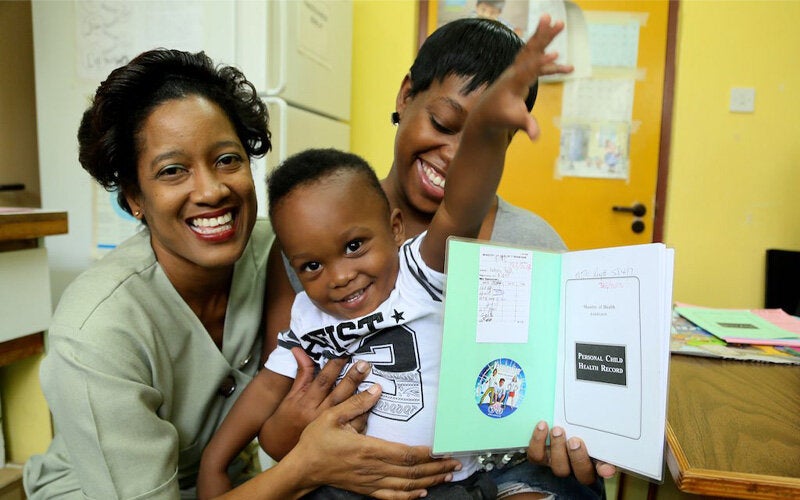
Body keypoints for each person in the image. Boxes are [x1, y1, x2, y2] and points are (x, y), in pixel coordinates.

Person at [22, 48, 463, 500]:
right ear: (135, 197)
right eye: (173, 171)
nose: (212, 190)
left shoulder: (288, 252)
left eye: (227, 160)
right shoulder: (95, 331)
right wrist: (306, 467)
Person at [199, 16, 572, 499]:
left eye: (483, 136)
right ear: (405, 95)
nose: (340, 276)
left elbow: (462, 208)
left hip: (472, 477)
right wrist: (220, 459)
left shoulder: (434, 266)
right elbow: (276, 412)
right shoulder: (309, 272)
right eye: (442, 122)